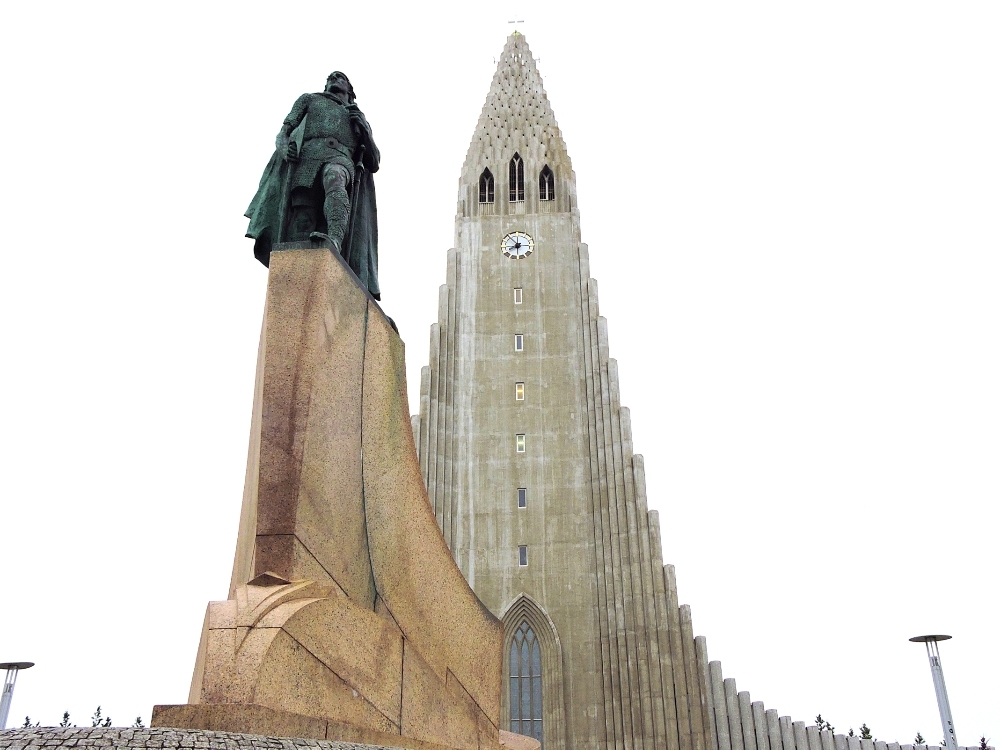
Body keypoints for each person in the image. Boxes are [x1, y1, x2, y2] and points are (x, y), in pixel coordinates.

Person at [246, 71, 381, 299]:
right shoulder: (310, 99)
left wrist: (365, 132)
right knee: (302, 219)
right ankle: (296, 282)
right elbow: (284, 131)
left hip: (339, 158)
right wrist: (284, 147)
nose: (334, 78)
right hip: (307, 160)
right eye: (331, 76)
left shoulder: (357, 116)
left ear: (350, 89)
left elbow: (374, 161)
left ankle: (335, 240)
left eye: (340, 77)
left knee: (335, 180)